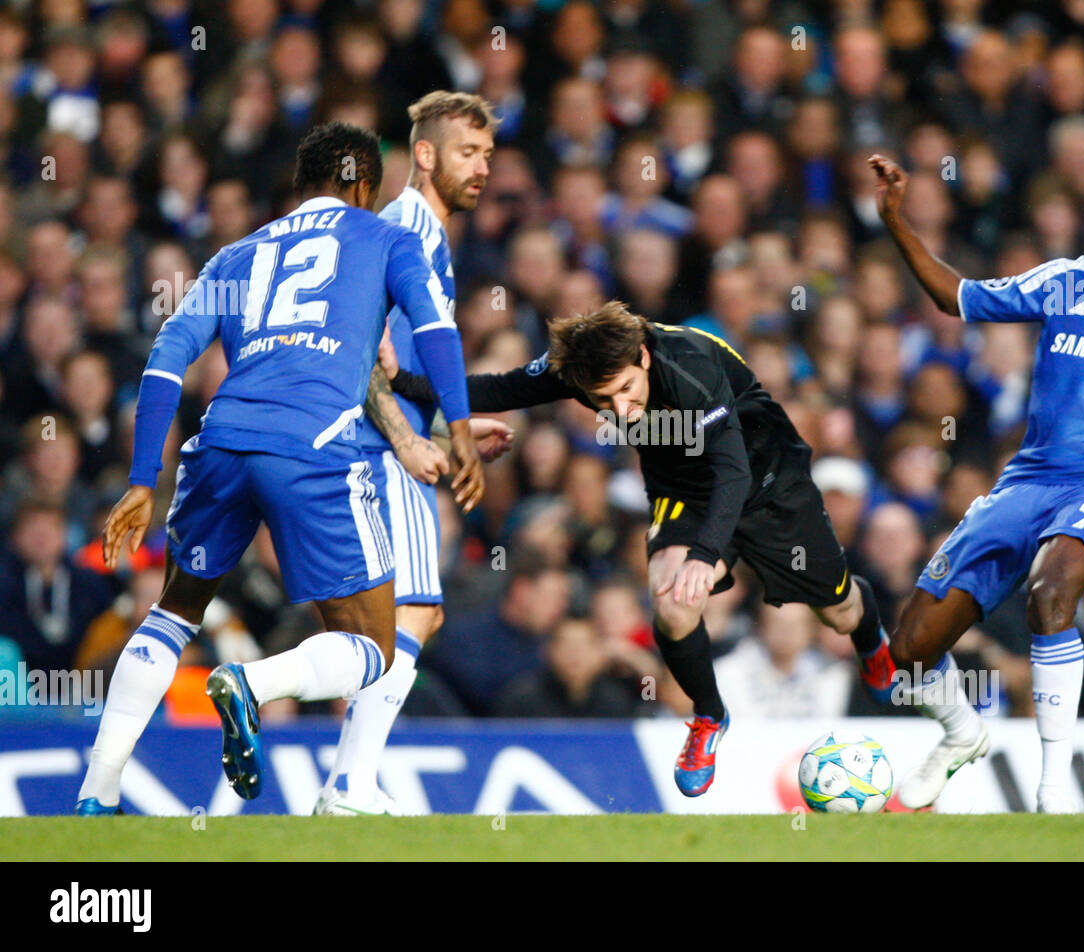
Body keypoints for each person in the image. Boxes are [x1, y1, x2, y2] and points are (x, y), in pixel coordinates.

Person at [74, 121, 485, 815]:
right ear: (362, 186)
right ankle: (253, 683)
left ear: (303, 183)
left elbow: (166, 361)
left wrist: (144, 479)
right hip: (316, 446)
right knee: (373, 647)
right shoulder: (387, 237)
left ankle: (96, 792)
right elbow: (437, 328)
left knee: (173, 615)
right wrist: (463, 425)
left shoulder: (235, 255)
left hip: (221, 444)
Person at [385, 300, 895, 797]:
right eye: (604, 401)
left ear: (645, 358)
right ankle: (708, 715)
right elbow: (499, 388)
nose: (622, 411)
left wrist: (704, 554)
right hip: (682, 489)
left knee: (841, 613)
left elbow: (732, 472)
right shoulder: (579, 368)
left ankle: (872, 643)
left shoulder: (689, 366)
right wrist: (403, 383)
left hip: (765, 480)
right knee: (673, 604)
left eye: (628, 390)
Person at [870, 154, 1084, 812]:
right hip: (1025, 482)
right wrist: (895, 220)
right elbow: (956, 296)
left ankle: (1053, 789)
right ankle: (959, 734)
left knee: (1051, 591)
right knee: (909, 650)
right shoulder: (1065, 282)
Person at [314, 91, 515, 817]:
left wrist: (436, 430)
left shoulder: (421, 233)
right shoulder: (404, 230)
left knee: (379, 623)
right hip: (377, 450)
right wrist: (416, 438)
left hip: (387, 442)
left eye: (489, 155)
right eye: (468, 152)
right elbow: (361, 350)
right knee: (417, 612)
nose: (483, 168)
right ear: (424, 154)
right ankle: (347, 782)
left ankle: (348, 782)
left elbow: (392, 360)